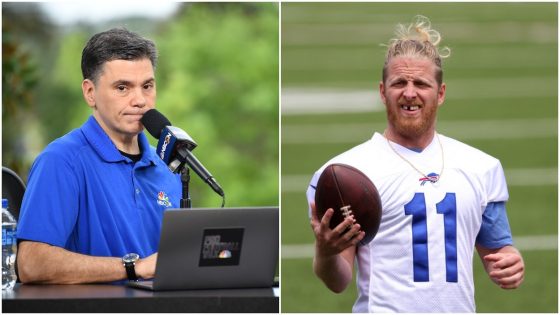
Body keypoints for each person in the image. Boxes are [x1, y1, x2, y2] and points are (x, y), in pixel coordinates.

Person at [306, 16, 524, 312]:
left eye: (421, 83)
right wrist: (325, 251)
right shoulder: (346, 173)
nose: (410, 93)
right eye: (399, 83)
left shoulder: (480, 166)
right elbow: (337, 280)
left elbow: (498, 249)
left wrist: (511, 261)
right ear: (383, 92)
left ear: (441, 93)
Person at [16, 28, 181, 284]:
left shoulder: (166, 169)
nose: (140, 100)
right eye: (123, 87)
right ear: (90, 93)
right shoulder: (61, 161)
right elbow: (31, 263)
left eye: (147, 86)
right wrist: (133, 267)